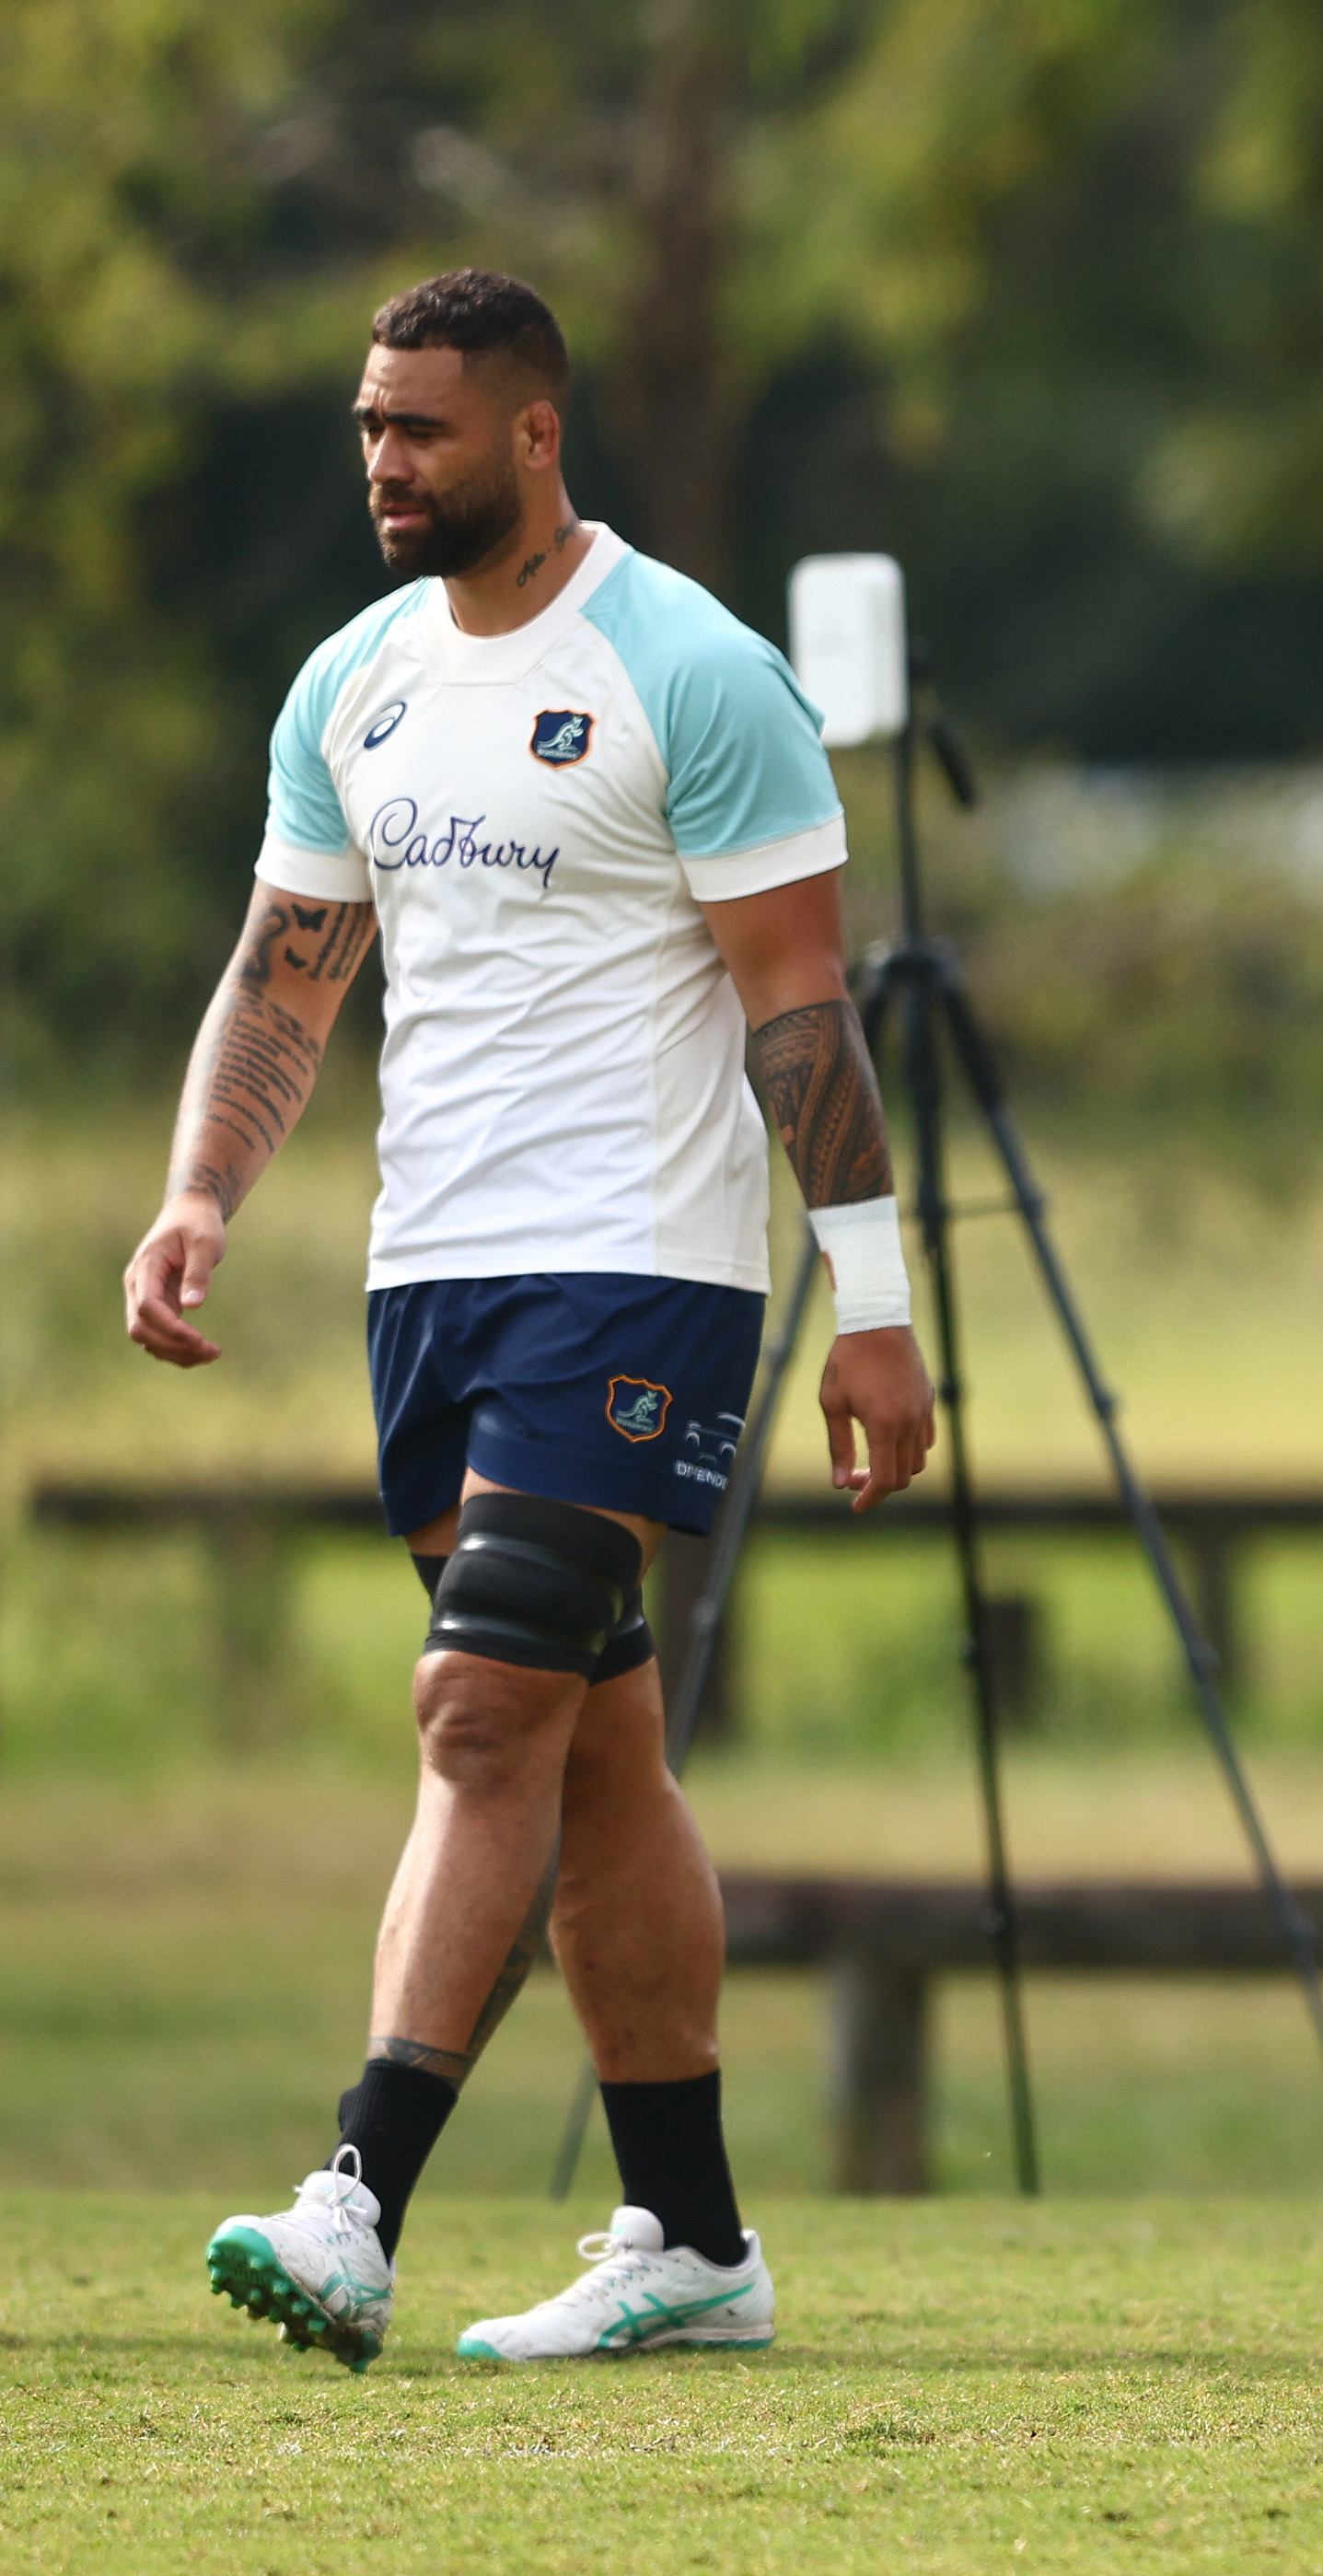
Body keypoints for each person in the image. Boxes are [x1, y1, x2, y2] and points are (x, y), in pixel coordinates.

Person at [125, 269, 934, 2369]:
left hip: (639, 1267)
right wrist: (202, 1191)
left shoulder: (689, 668)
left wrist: (877, 1302)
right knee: (588, 1758)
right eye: (370, 429)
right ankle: (691, 2232)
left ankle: (354, 2195)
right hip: (434, 1282)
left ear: (534, 434)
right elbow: (290, 970)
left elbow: (802, 1012)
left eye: (423, 433)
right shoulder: (357, 682)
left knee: (477, 1713)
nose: (384, 468)